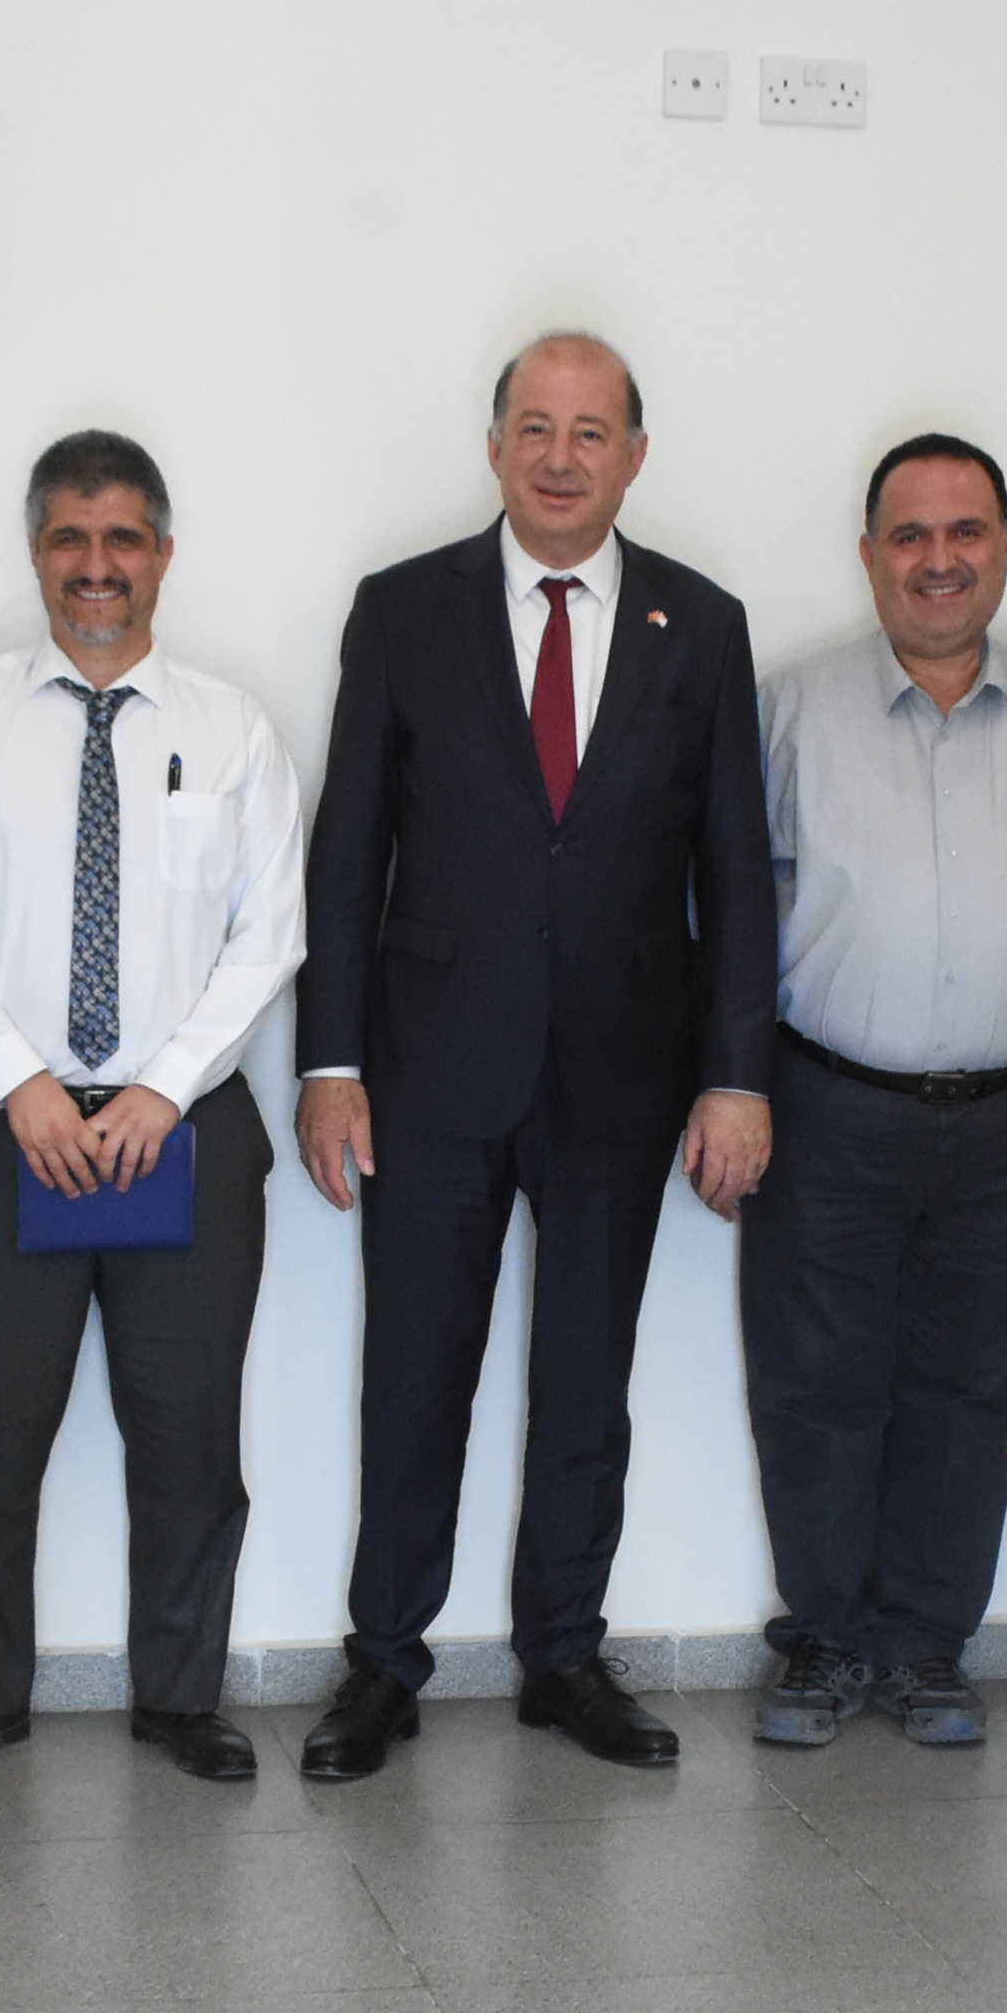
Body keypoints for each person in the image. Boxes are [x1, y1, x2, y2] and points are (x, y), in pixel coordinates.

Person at [292, 331, 777, 1780]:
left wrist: (736, 1074)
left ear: (635, 455)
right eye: (536, 428)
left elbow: (734, 867)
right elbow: (348, 846)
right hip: (431, 1069)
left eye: (591, 432)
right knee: (413, 1378)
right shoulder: (404, 608)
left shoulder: (702, 623)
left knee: (584, 1383)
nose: (561, 458)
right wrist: (328, 1063)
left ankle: (563, 1654)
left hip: (624, 1076)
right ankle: (383, 1665)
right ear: (494, 444)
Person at [0, 431, 307, 1784]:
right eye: (70, 537)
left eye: (123, 538)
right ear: (36, 553)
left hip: (181, 1132)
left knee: (187, 1436)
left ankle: (181, 1697)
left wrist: (159, 1092)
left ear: (163, 554)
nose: (96, 565)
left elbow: (269, 935)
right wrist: (22, 1082)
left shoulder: (231, 729)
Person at [739, 434, 1007, 1749]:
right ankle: (826, 1638)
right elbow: (722, 924)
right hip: (825, 1106)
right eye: (910, 535)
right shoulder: (787, 715)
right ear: (868, 555)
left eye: (965, 532)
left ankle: (925, 1646)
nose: (939, 559)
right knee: (814, 1381)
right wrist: (732, 1091)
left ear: (1005, 545)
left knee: (968, 1388)